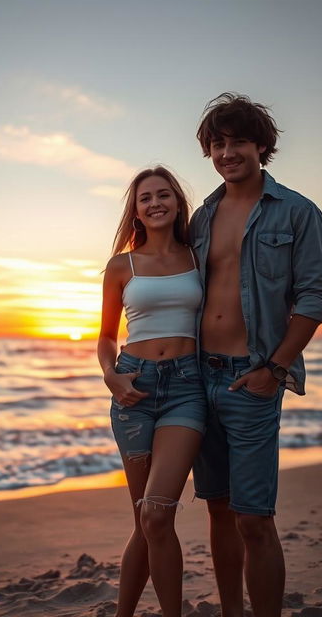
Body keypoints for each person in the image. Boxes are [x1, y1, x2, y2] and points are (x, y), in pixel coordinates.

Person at [189, 93, 322, 617]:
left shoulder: (297, 212)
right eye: (218, 144)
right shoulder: (201, 217)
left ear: (262, 146)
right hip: (195, 379)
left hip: (250, 378)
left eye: (238, 142)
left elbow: (314, 298)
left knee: (254, 517)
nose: (228, 153)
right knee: (219, 511)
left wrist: (273, 369)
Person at [98, 166, 207, 617]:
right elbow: (105, 335)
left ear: (179, 203)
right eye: (146, 198)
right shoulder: (121, 266)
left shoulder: (200, 257)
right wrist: (111, 375)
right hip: (134, 388)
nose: (155, 202)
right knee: (144, 521)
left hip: (186, 388)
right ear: (136, 210)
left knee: (158, 513)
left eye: (164, 195)